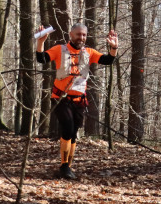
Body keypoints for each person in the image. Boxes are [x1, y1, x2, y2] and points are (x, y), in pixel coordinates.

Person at [35, 23, 118, 179]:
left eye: (84, 35)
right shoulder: (59, 49)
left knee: (73, 133)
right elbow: (41, 58)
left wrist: (114, 47)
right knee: (67, 127)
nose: (81, 37)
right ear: (71, 34)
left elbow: (107, 60)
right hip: (60, 99)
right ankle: (64, 167)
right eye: (78, 34)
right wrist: (41, 42)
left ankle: (68, 166)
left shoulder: (89, 52)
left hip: (79, 100)